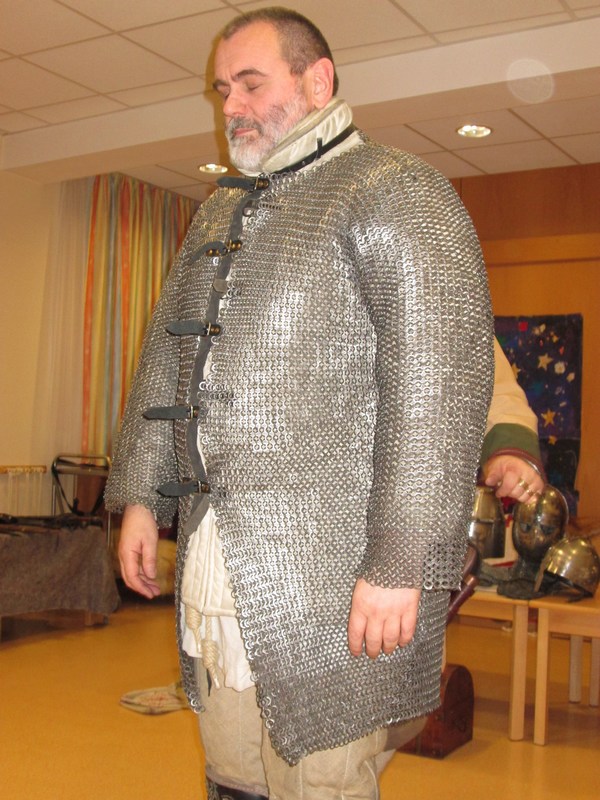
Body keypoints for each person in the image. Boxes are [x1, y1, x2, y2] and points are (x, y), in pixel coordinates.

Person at [106, 8, 501, 798]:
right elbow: (168, 362)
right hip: (221, 561)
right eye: (223, 89)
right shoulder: (220, 212)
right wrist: (142, 499)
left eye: (251, 83)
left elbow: (438, 392)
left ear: (317, 81)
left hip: (336, 574)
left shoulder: (395, 190)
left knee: (320, 782)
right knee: (232, 772)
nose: (231, 106)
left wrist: (402, 560)